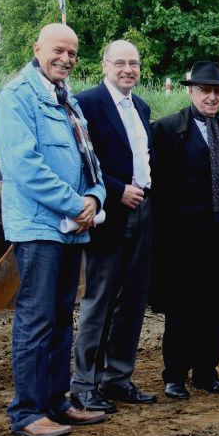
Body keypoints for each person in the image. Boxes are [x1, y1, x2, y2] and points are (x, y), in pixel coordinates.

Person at [0, 23, 107, 436]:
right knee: (36, 319)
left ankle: (57, 402)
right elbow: (25, 167)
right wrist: (77, 204)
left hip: (72, 229)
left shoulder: (68, 101)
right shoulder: (17, 98)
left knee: (61, 317)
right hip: (39, 228)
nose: (66, 59)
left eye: (73, 53)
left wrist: (94, 198)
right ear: (37, 48)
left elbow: (88, 159)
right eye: (59, 50)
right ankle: (27, 411)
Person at [70, 40, 156, 412]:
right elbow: (82, 160)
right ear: (104, 65)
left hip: (143, 211)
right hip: (109, 213)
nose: (127, 70)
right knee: (100, 301)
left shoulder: (141, 106)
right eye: (119, 63)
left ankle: (118, 376)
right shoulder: (86, 103)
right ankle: (84, 384)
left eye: (133, 64)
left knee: (133, 301)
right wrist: (117, 190)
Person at [151, 61, 219, 400]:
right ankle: (174, 374)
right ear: (191, 91)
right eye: (205, 90)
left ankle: (206, 371)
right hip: (183, 238)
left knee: (214, 307)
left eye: (217, 91)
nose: (212, 97)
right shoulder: (169, 129)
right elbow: (158, 188)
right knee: (182, 307)